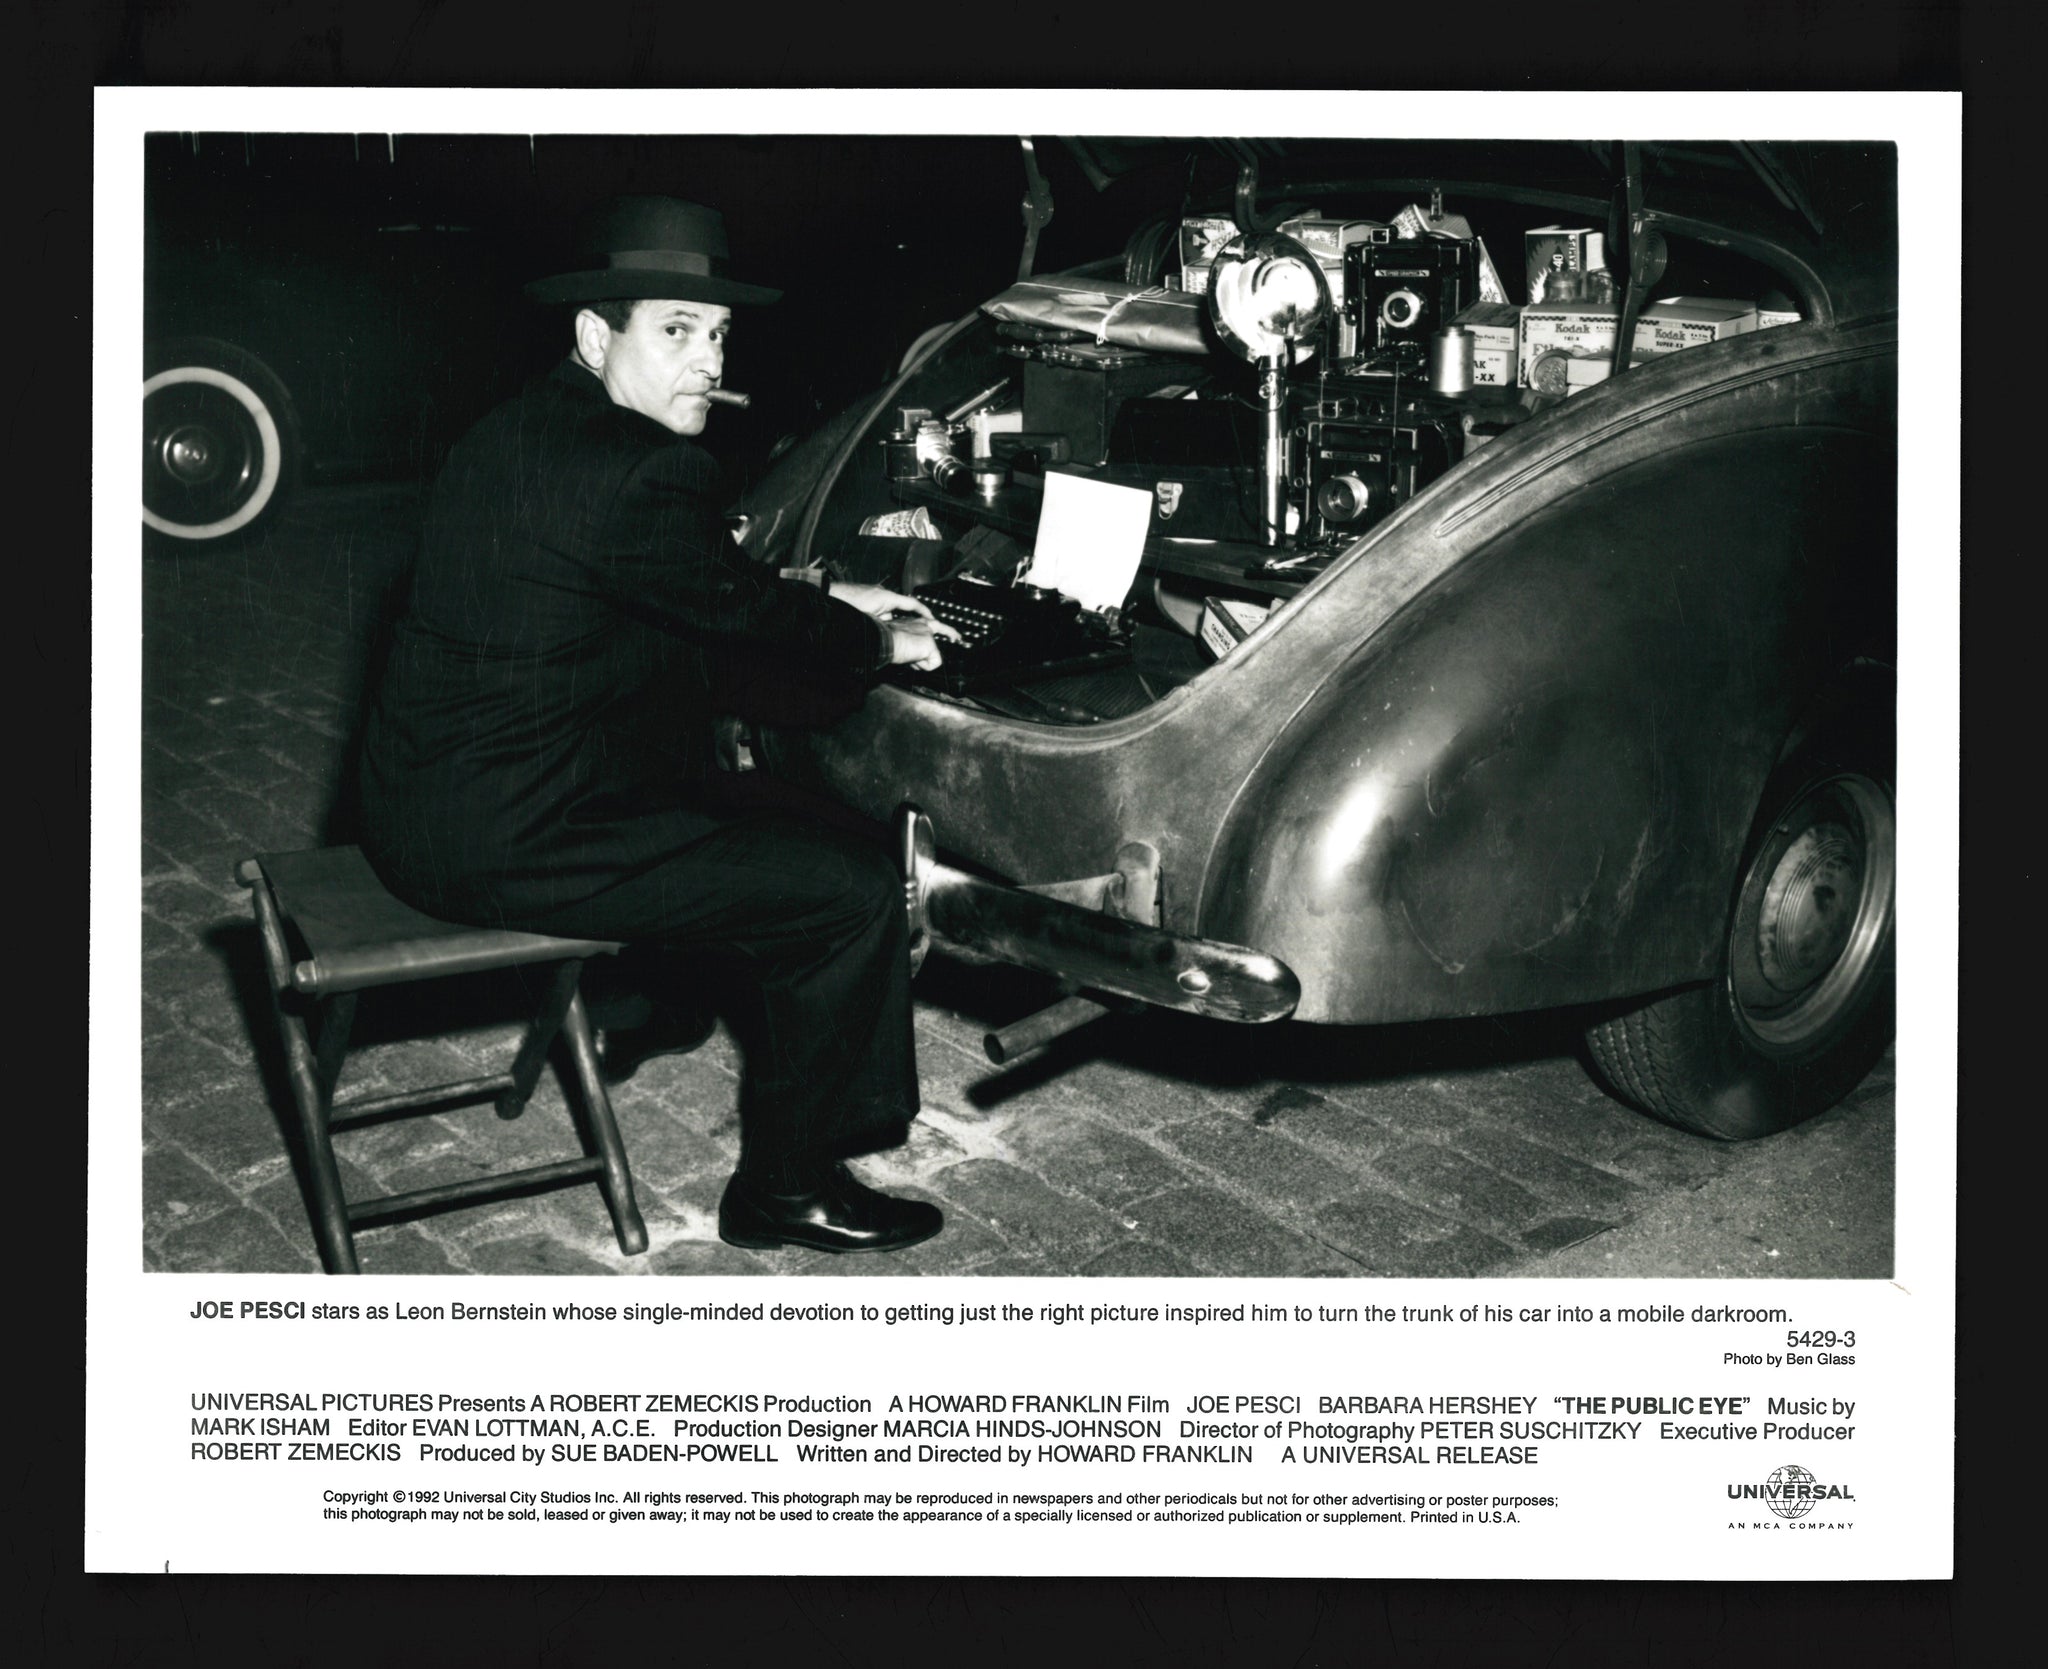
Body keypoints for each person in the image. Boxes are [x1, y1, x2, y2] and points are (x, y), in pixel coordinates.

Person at [358, 195, 957, 1255]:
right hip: (513, 834)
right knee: (847, 886)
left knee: (735, 774)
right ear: (596, 337)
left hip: (427, 800)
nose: (706, 362)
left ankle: (648, 1003)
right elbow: (735, 609)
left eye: (717, 335)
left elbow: (677, 583)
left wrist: (823, 597)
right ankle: (787, 1186)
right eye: (675, 332)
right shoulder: (645, 468)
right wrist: (882, 641)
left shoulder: (519, 426)